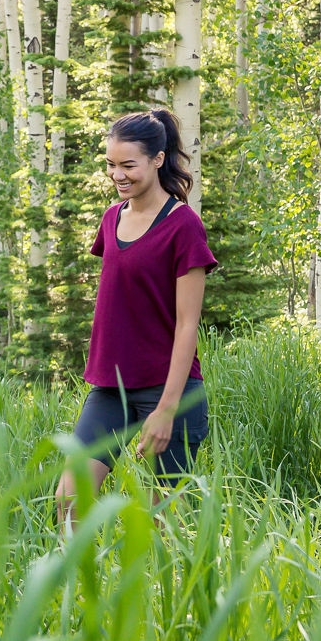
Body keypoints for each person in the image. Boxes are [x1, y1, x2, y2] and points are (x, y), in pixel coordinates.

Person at [56, 108, 218, 528]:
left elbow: (187, 325)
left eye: (128, 165)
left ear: (158, 159)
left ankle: (164, 594)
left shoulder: (183, 226)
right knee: (69, 499)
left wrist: (165, 410)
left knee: (164, 522)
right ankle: (79, 590)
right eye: (111, 165)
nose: (117, 175)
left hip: (172, 392)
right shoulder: (112, 219)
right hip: (111, 388)